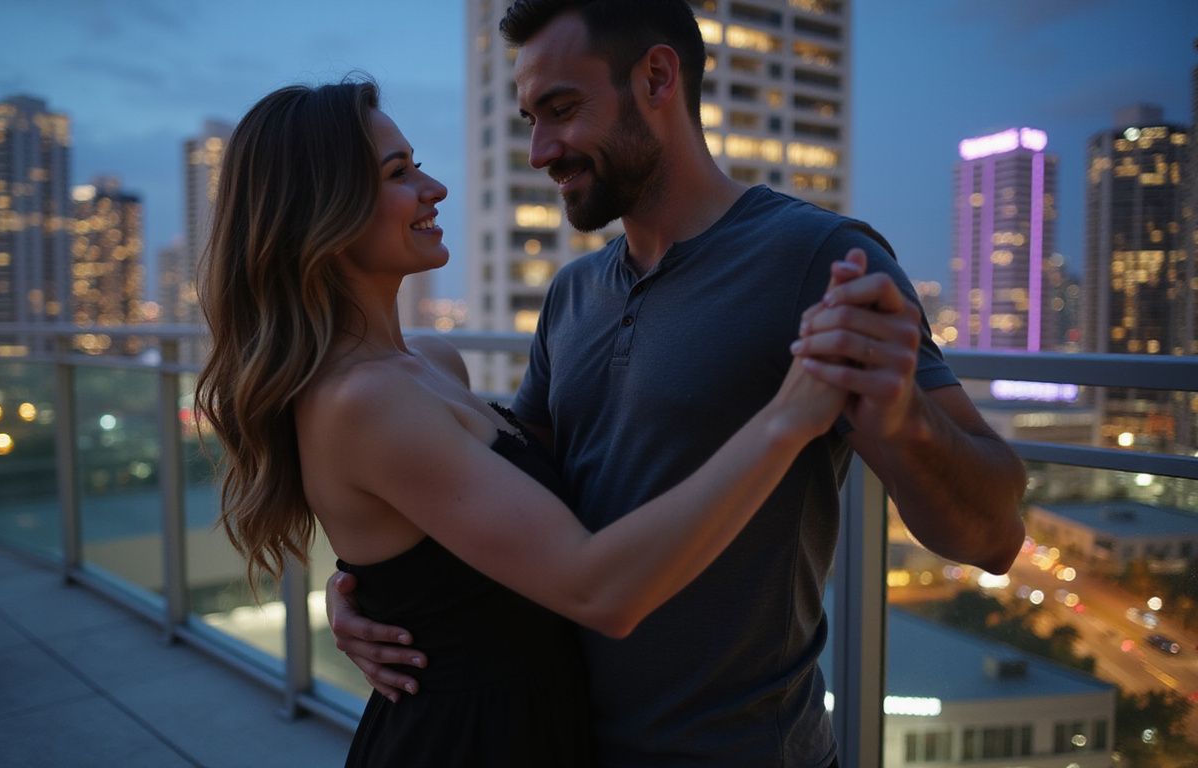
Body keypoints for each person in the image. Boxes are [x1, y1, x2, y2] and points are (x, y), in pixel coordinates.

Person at [327, 1, 1029, 765]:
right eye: (531, 117)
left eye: (561, 110)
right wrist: (378, 582)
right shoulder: (572, 295)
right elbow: (507, 491)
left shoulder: (818, 259)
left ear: (657, 78)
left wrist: (905, 421)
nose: (539, 150)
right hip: (560, 745)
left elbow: (991, 538)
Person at [195, 79, 861, 768]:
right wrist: (789, 417)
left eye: (415, 163)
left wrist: (367, 589)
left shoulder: (431, 362)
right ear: (322, 215)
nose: (434, 188)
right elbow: (595, 588)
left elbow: (445, 540)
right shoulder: (359, 401)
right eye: (399, 173)